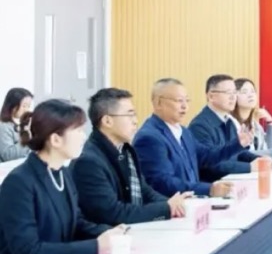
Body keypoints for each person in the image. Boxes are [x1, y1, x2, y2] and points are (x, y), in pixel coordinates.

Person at [0, 99, 123, 254]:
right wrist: (96, 246)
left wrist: (107, 232)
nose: (83, 137)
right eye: (78, 130)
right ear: (55, 140)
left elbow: (76, 222)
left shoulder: (62, 173)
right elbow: (27, 251)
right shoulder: (19, 183)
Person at [73, 88, 189, 225]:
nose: (135, 121)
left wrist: (173, 204)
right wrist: (166, 208)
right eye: (130, 115)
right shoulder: (89, 162)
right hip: (108, 234)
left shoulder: (125, 151)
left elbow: (144, 191)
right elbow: (113, 213)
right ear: (107, 121)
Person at [133, 78, 246, 197]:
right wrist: (209, 189)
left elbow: (206, 156)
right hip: (172, 205)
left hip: (193, 202)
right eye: (179, 101)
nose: (185, 106)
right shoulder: (149, 138)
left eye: (187, 100)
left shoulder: (184, 132)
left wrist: (238, 144)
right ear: (158, 103)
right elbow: (162, 182)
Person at [189, 74, 260, 177]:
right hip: (214, 183)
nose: (233, 97)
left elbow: (237, 153)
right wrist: (249, 167)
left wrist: (259, 160)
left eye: (234, 92)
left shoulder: (229, 121)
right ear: (211, 96)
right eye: (228, 92)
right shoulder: (199, 126)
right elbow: (211, 164)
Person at [0, 88, 32, 162]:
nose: (27, 110)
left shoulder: (19, 124)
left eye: (28, 106)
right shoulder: (3, 127)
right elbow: (8, 155)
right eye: (24, 106)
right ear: (13, 106)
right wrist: (28, 138)